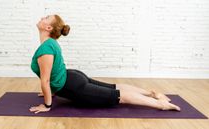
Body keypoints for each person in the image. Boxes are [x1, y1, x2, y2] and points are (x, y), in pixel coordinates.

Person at [29, 14, 181, 114]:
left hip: (74, 86)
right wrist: (52, 90)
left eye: (46, 17)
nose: (43, 17)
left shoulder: (46, 48)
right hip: (73, 77)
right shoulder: (51, 43)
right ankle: (151, 94)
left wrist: (47, 105)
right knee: (114, 87)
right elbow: (54, 70)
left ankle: (161, 104)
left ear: (48, 28)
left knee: (119, 96)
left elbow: (46, 80)